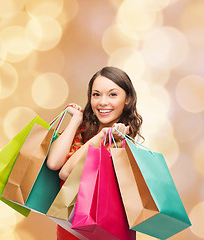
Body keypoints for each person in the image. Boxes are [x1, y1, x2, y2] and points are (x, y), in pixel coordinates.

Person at [46, 66, 143, 240]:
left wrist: (102, 137)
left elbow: (66, 172)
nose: (102, 102)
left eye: (113, 94)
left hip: (100, 233)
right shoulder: (83, 130)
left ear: (127, 99)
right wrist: (75, 121)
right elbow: (53, 163)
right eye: (96, 94)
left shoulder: (124, 146)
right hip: (69, 229)